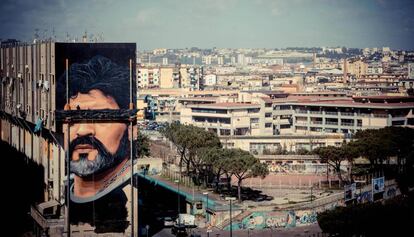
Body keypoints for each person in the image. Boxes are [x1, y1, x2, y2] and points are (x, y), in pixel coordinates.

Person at [57, 55, 136, 233]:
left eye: (101, 117)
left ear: (131, 128)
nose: (83, 130)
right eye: (73, 119)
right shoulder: (62, 193)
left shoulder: (131, 197)